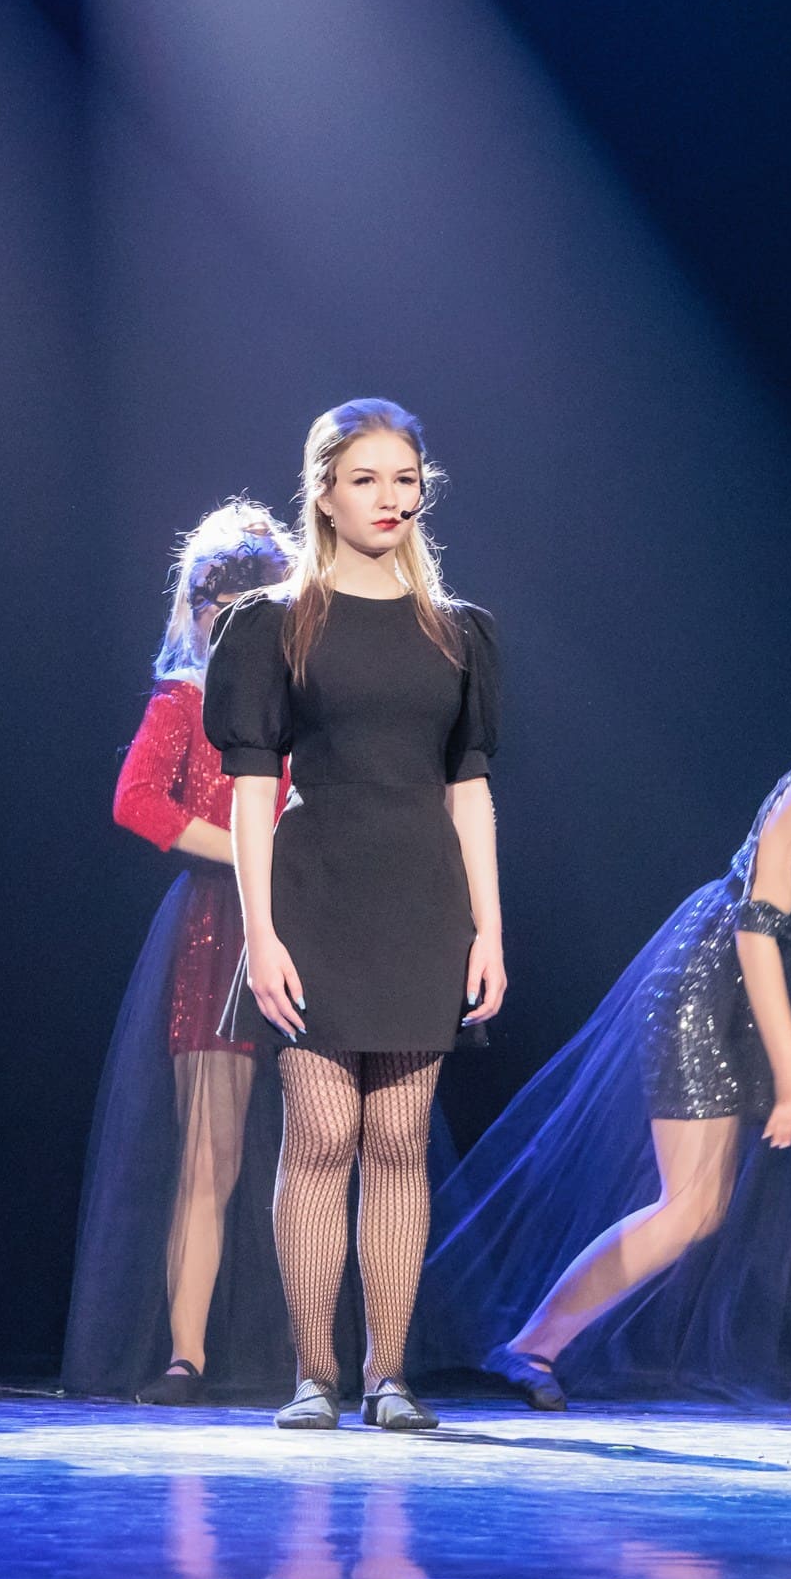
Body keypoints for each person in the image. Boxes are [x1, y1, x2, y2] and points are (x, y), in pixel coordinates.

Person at [431, 619, 791, 1415]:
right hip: (706, 991)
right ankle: (530, 1345)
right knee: (694, 1208)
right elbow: (755, 930)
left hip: (781, 998)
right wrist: (788, 1065)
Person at [203, 399, 504, 1432]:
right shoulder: (275, 621)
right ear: (323, 493)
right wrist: (260, 932)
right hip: (316, 892)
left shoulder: (455, 631)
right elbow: (251, 790)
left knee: (400, 1138)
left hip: (421, 896)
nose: (389, 497)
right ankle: (313, 1373)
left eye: (404, 478)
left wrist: (490, 929)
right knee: (324, 1133)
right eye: (365, 478)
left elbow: (470, 788)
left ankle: (389, 1376)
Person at [63, 502, 297, 1404]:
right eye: (211, 602)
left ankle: (319, 1354)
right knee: (211, 1154)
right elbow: (136, 802)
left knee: (321, 1149)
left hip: (312, 923)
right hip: (219, 928)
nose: (223, 619)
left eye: (244, 603)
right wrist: (248, 849)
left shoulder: (310, 708)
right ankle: (185, 1355)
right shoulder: (184, 702)